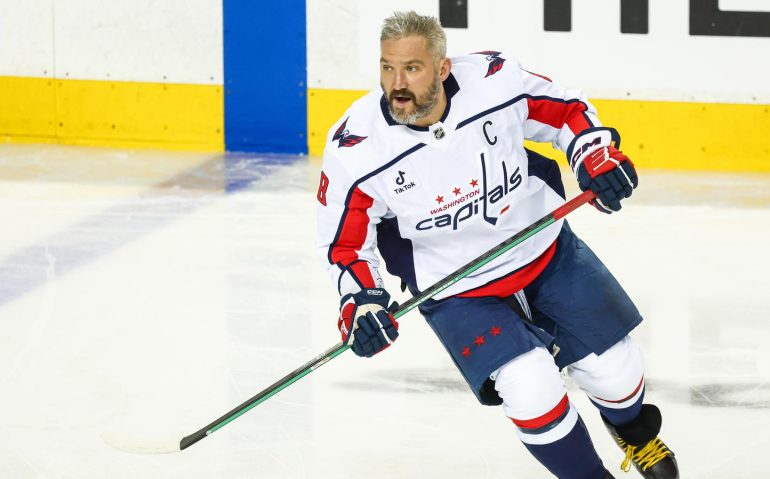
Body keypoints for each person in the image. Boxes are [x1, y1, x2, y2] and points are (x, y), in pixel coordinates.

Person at [316, 10, 678, 479]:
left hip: (545, 253)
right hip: (458, 290)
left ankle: (635, 433)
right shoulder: (356, 146)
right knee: (530, 386)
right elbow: (345, 244)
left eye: (412, 68)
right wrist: (362, 304)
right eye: (387, 67)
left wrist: (595, 156)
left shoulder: (494, 80)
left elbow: (565, 111)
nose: (397, 84)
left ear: (443, 68)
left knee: (618, 371)